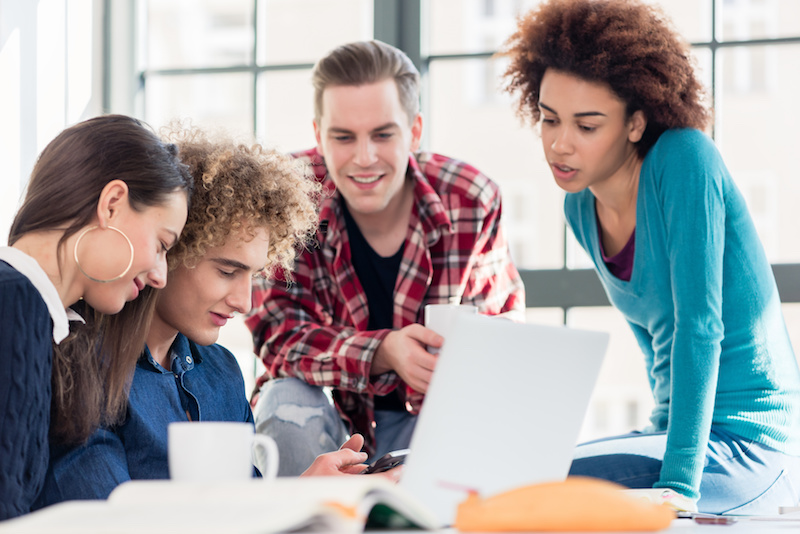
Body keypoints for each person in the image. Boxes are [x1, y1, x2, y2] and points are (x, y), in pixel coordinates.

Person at [501, 0, 800, 515]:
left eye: (587, 126)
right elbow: (655, 339)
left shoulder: (684, 158)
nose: (559, 144)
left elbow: (699, 327)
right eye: (549, 119)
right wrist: (655, 437)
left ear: (635, 123)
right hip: (679, 440)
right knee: (516, 465)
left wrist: (676, 487)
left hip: (748, 448)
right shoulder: (580, 208)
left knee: (532, 481)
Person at [35, 128, 380, 507]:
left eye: (254, 276)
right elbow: (107, 520)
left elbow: (245, 513)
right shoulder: (81, 367)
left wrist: (307, 494)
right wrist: (293, 499)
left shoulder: (221, 373)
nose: (245, 302)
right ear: (170, 247)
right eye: (227, 272)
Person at [245, 40, 526, 476]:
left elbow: (501, 334)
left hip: (429, 421)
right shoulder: (289, 195)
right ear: (319, 134)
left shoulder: (470, 198)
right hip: (326, 423)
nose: (364, 158)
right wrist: (382, 351)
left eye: (382, 135)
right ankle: (310, 511)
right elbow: (278, 336)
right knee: (284, 401)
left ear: (414, 131)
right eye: (343, 137)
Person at [0, 115, 191, 520]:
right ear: (112, 204)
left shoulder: (47, 323)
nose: (160, 275)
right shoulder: (14, 301)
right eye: (161, 244)